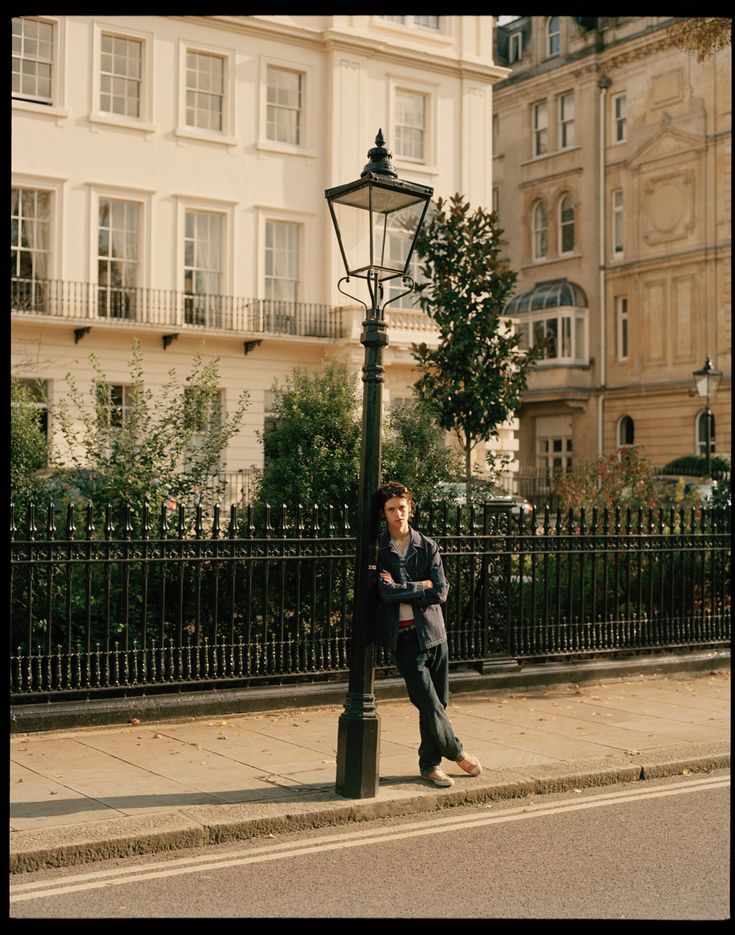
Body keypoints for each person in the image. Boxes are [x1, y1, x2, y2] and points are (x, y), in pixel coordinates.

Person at [373, 481, 482, 788]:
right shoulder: (379, 549)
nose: (398, 514)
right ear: (384, 513)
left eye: (402, 508)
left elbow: (441, 591)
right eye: (391, 509)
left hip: (434, 635)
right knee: (428, 702)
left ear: (410, 508)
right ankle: (457, 751)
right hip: (405, 638)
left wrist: (402, 588)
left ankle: (429, 765)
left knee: (438, 703)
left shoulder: (427, 545)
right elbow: (383, 593)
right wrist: (420, 586)